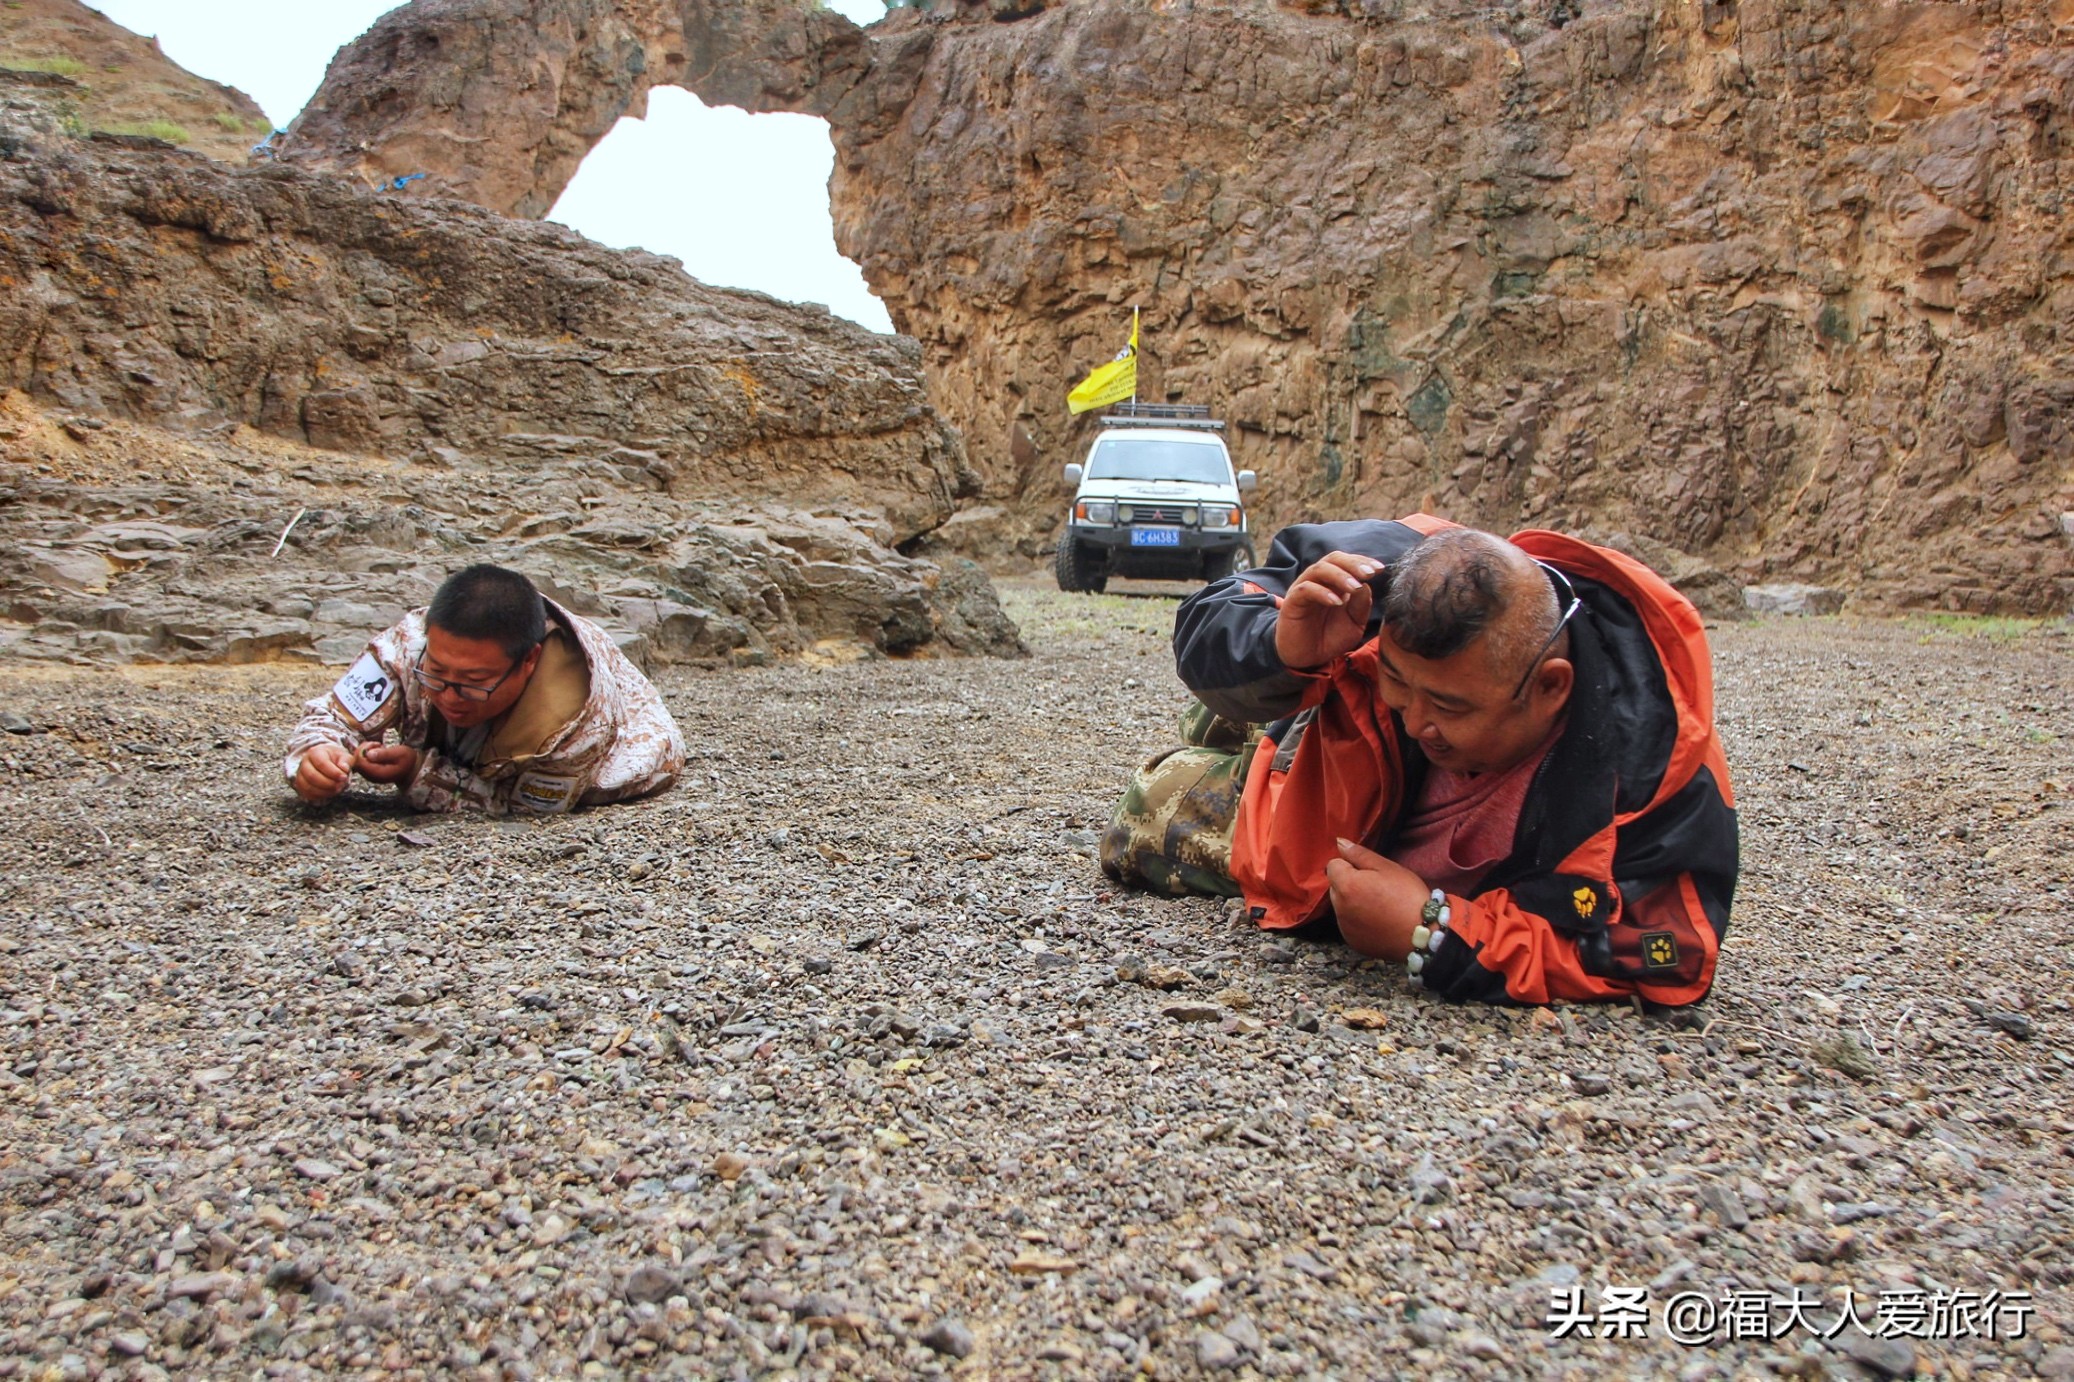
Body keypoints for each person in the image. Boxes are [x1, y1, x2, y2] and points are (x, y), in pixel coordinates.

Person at [1102, 515, 1738, 1006]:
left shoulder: (1654, 764)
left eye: (1450, 707)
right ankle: (1276, 705)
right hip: (1328, 716)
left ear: (1551, 687)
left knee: (1144, 809)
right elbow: (1210, 611)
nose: (1417, 721)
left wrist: (1434, 932)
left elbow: (1669, 951)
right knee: (1230, 697)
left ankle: (1253, 744)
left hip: (1309, 802)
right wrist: (1280, 645)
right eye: (1401, 684)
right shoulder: (1390, 564)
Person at [284, 564, 684, 814]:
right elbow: (331, 715)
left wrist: (416, 772)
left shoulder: (578, 730)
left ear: (528, 663)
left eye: (474, 683)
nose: (449, 696)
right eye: (436, 672)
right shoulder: (407, 645)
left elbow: (518, 804)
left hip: (629, 738)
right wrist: (317, 754)